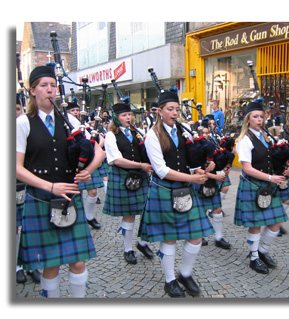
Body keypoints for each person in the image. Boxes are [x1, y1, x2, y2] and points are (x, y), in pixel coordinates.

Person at [16, 65, 104, 297]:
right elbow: (14, 168)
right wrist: (49, 186)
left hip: (69, 198)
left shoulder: (69, 122)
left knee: (78, 263)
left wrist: (89, 170)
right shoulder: (22, 123)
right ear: (33, 91)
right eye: (44, 86)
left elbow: (99, 152)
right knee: (51, 264)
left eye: (53, 86)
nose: (50, 90)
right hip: (41, 198)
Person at [138, 90, 215, 298]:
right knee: (169, 238)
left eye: (177, 109)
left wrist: (201, 169)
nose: (174, 113)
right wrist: (192, 179)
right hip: (164, 190)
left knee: (196, 236)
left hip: (184, 188)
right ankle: (169, 280)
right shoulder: (152, 135)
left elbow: (188, 162)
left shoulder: (183, 131)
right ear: (159, 111)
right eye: (170, 109)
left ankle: (185, 273)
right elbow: (161, 169)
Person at [234, 100, 289, 274]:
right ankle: (253, 258)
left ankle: (262, 251)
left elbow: (270, 160)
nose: (259, 119)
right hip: (253, 184)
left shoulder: (265, 137)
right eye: (255, 117)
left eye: (261, 116)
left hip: (267, 183)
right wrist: (270, 177)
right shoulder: (244, 140)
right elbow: (247, 168)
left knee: (276, 222)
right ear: (248, 120)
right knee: (256, 225)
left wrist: (285, 168)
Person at [102, 102, 155, 264]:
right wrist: (141, 165)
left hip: (141, 176)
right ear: (116, 119)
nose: (128, 117)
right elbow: (116, 160)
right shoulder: (110, 136)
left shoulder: (136, 132)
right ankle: (128, 249)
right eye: (124, 115)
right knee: (129, 214)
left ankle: (142, 243)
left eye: (129, 115)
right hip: (123, 177)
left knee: (149, 210)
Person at [16, 94, 41, 284]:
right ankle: (16, 266)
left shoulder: (26, 127)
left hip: (29, 182)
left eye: (17, 109)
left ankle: (32, 265)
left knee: (29, 228)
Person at [195, 117, 231, 249]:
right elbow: (195, 170)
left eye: (206, 132)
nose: (205, 135)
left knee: (217, 208)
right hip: (199, 181)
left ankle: (218, 237)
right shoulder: (194, 146)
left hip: (211, 181)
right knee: (202, 209)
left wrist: (224, 167)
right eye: (202, 133)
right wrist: (214, 176)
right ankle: (201, 234)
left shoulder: (212, 144)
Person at [66, 100, 103, 229]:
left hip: (88, 162)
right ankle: (79, 217)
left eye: (77, 110)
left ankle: (89, 216)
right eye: (73, 111)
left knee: (93, 191)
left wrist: (92, 152)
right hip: (74, 162)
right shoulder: (66, 123)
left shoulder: (85, 125)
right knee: (77, 194)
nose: (76, 112)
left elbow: (99, 141)